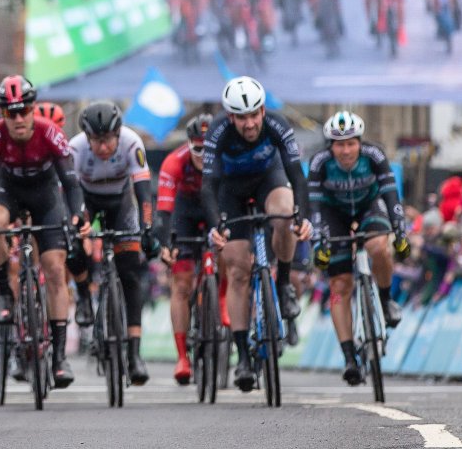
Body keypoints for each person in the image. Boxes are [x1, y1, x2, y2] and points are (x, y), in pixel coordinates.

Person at [202, 76, 312, 393]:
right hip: (231, 191)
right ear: (230, 116)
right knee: (236, 270)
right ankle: (243, 358)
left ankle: (283, 284)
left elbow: (297, 176)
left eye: (254, 115)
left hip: (269, 178)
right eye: (241, 117)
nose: (249, 124)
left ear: (262, 110)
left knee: (285, 214)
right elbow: (208, 186)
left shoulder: (277, 124)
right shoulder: (218, 131)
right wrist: (215, 225)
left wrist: (301, 218)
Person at [0, 74, 85, 389]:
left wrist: (77, 213)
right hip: (8, 192)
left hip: (45, 195)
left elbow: (70, 180)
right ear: (3, 113)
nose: (19, 118)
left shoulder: (51, 133)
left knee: (53, 267)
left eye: (24, 110)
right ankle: (6, 295)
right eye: (11, 112)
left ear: (32, 108)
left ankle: (59, 357)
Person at [308, 111, 409, 385]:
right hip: (333, 214)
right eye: (339, 144)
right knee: (340, 285)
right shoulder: (319, 162)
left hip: (369, 206)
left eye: (351, 143)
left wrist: (400, 229)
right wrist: (319, 240)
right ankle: (350, 357)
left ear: (359, 143)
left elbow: (390, 193)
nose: (346, 150)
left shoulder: (374, 156)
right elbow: (314, 205)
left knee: (379, 246)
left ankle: (386, 301)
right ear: (330, 146)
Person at [67, 99, 156, 386]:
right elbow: (69, 192)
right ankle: (83, 295)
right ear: (87, 138)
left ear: (118, 134)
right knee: (73, 246)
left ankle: (134, 353)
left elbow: (143, 192)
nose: (103, 147)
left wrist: (147, 227)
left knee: (130, 272)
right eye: (97, 141)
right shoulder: (76, 148)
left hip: (121, 204)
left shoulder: (132, 143)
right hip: (87, 201)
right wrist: (79, 224)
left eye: (108, 140)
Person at [156, 112, 216, 386]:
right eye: (198, 149)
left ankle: (222, 300)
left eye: (209, 148)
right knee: (181, 284)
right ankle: (183, 357)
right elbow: (164, 210)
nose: (204, 155)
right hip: (185, 212)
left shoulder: (224, 158)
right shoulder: (174, 162)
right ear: (189, 145)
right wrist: (166, 244)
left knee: (232, 253)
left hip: (215, 206)